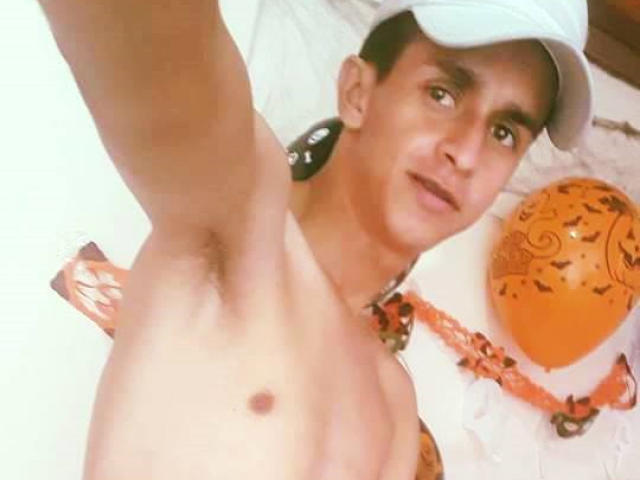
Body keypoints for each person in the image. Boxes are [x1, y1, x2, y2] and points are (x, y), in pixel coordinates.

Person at [38, 0, 593, 478]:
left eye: (504, 132)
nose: (466, 153)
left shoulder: (393, 405)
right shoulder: (235, 217)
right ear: (356, 92)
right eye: (443, 94)